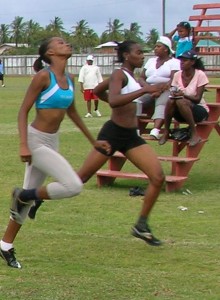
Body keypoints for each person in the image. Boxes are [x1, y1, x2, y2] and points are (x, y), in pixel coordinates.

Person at [0, 37, 110, 269]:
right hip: (35, 141)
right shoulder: (43, 77)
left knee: (24, 200)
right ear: (50, 52)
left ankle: (5, 244)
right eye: (61, 43)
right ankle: (29, 195)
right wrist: (23, 144)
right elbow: (22, 111)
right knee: (73, 185)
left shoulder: (69, 79)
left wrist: (94, 142)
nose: (67, 44)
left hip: (53, 140)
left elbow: (73, 114)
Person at [77, 40, 165, 247]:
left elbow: (99, 90)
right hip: (113, 133)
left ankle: (141, 225)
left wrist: (153, 89)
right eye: (138, 52)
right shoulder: (120, 74)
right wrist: (143, 92)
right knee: (81, 178)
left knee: (158, 177)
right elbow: (115, 100)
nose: (142, 55)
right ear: (126, 55)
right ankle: (35, 197)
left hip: (130, 136)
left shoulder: (132, 77)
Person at [159, 50, 209, 147]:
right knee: (171, 100)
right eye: (181, 61)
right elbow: (173, 90)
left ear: (192, 62)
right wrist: (175, 94)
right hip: (181, 112)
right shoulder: (177, 75)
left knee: (181, 101)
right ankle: (166, 131)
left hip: (198, 111)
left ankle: (194, 134)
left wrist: (183, 94)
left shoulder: (200, 75)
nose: (181, 63)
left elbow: (197, 99)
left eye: (185, 61)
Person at [139, 36, 180, 139]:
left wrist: (160, 90)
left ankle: (155, 130)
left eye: (158, 46)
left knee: (162, 102)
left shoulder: (174, 62)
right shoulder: (151, 61)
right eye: (155, 46)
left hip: (166, 89)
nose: (155, 48)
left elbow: (173, 79)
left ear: (166, 49)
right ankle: (134, 129)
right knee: (136, 103)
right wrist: (148, 88)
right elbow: (141, 78)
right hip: (149, 89)